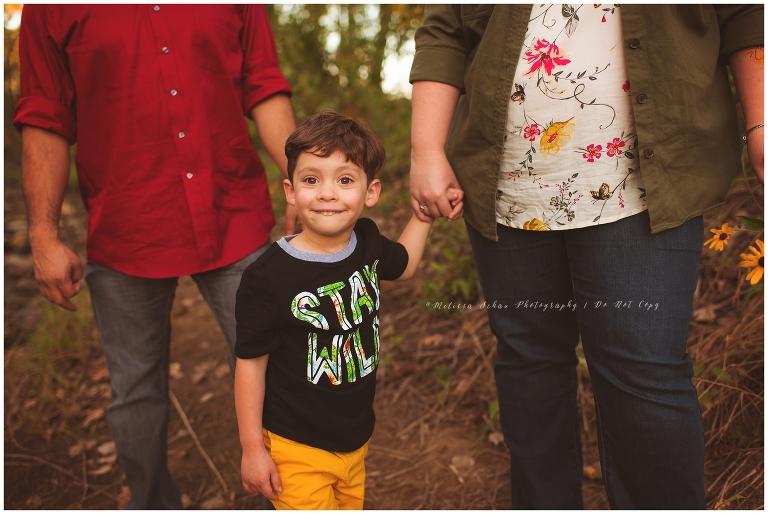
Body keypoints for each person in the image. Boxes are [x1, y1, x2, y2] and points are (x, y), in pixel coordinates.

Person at [408, 4, 763, 510]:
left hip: (644, 179)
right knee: (529, 363)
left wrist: (762, 121)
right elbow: (446, 26)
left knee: (643, 375)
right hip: (507, 182)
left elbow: (748, 13)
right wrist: (426, 149)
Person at [13, 5, 298, 509]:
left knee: (272, 367)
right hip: (125, 223)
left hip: (232, 210)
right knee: (136, 395)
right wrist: (43, 233)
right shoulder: (48, 8)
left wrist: (299, 179)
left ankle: (284, 499)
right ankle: (149, 501)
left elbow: (264, 84)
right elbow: (45, 112)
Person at [233, 111, 462, 509]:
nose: (327, 193)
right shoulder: (268, 278)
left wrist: (423, 214)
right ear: (290, 191)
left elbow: (404, 264)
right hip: (296, 445)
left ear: (370, 192)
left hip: (355, 436)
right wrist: (253, 449)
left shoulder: (367, 242)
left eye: (344, 180)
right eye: (311, 179)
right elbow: (250, 365)